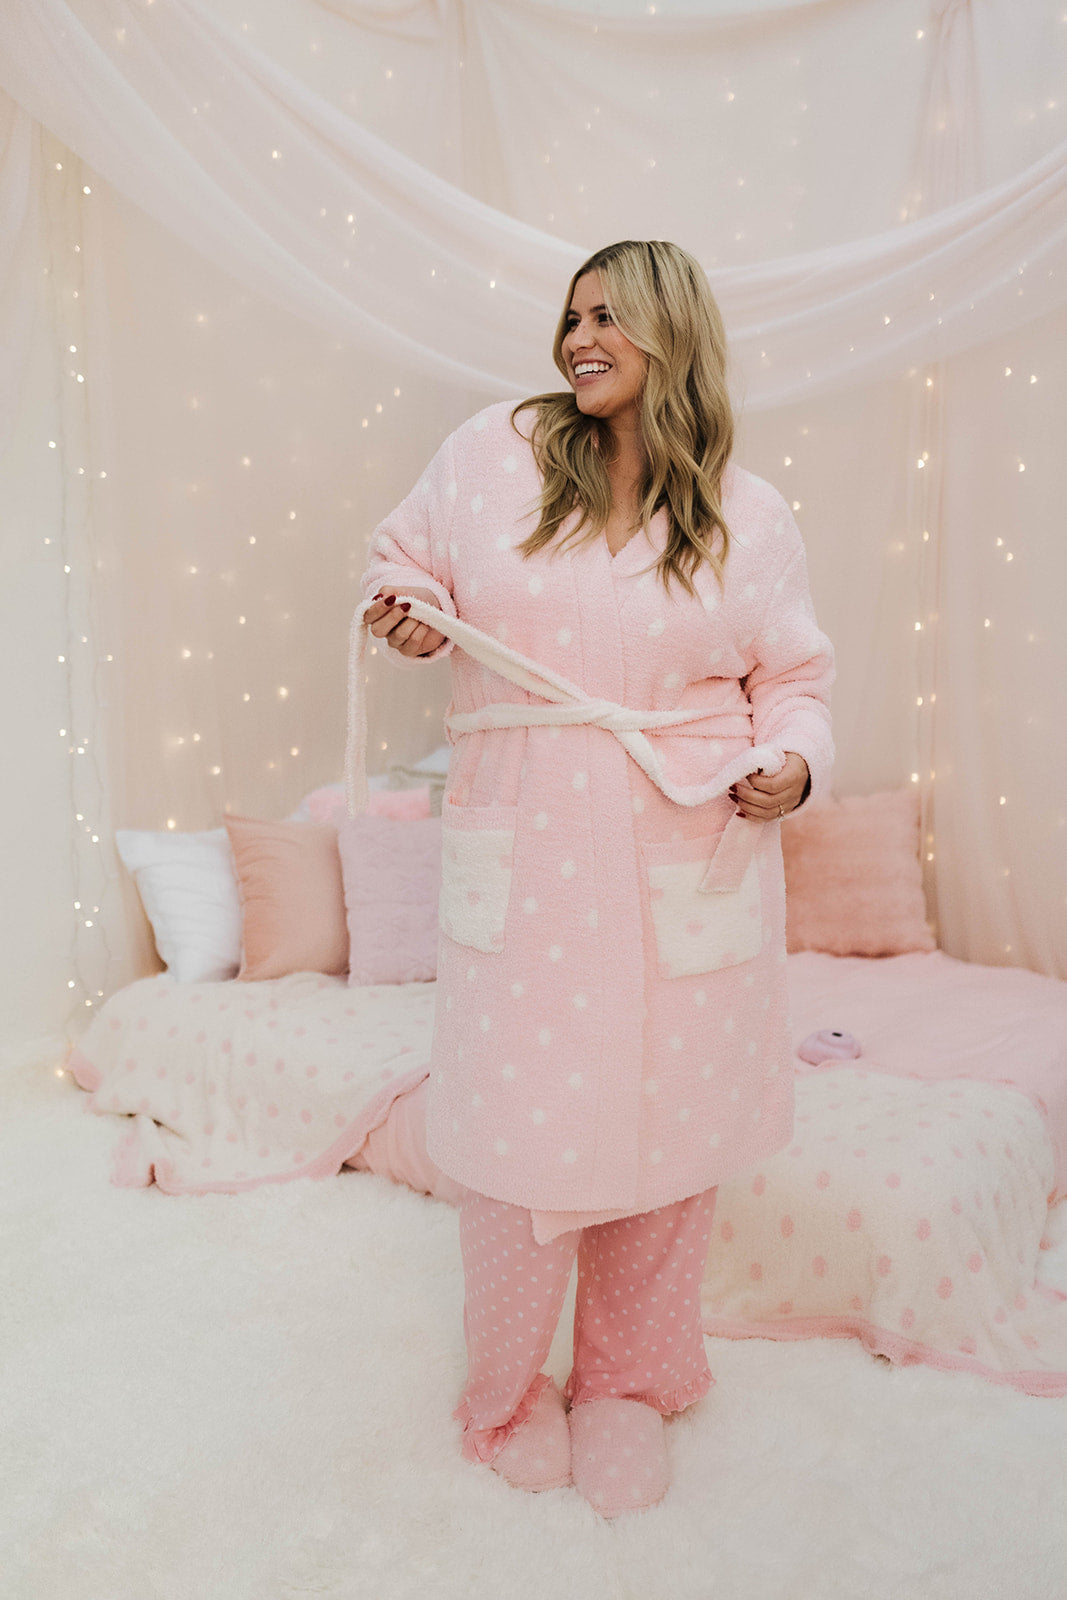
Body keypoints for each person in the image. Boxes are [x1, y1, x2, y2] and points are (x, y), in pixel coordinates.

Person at [354, 239, 834, 1517]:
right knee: (515, 1134)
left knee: (668, 1134)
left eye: (609, 315)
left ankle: (627, 1383)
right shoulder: (490, 455)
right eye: (569, 315)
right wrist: (401, 601)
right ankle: (509, 1390)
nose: (577, 337)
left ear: (673, 331)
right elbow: (400, 559)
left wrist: (787, 762)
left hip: (689, 843)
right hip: (530, 842)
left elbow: (789, 681)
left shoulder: (746, 510)